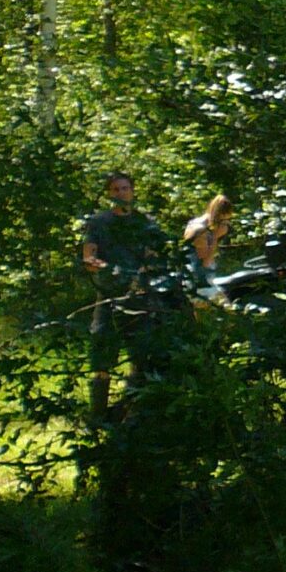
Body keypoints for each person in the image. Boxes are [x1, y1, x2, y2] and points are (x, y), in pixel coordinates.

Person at [81, 170, 169, 422]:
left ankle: (132, 414)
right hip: (109, 295)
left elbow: (157, 254)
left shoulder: (144, 222)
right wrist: (109, 269)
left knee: (141, 356)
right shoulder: (98, 223)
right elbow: (88, 258)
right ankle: (97, 416)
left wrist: (146, 270)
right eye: (115, 189)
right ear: (109, 194)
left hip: (140, 297)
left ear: (132, 191)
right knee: (101, 354)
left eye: (125, 188)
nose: (121, 193)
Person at [183, 194, 233, 285]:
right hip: (199, 273)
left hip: (189, 268)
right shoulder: (202, 231)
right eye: (224, 221)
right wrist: (215, 238)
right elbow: (205, 260)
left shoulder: (194, 223)